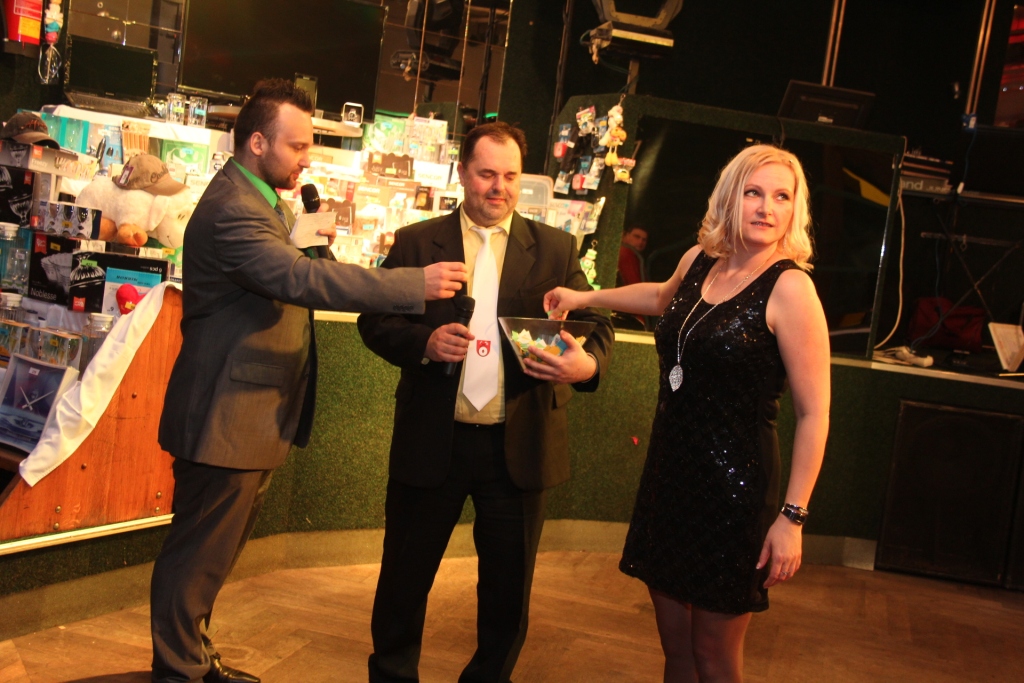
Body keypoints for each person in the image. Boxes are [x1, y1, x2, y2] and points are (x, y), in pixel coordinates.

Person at [151, 79, 467, 683]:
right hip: (225, 413)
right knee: (196, 556)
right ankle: (178, 670)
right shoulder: (233, 209)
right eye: (296, 146)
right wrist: (414, 284)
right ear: (257, 142)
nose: (306, 158)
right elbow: (301, 281)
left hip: (249, 415)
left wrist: (302, 239)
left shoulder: (266, 202)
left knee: (213, 555)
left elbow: (295, 269)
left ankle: (192, 658)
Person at [545, 144, 830, 683]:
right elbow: (661, 298)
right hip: (671, 478)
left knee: (714, 658)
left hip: (734, 492)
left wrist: (792, 519)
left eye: (782, 196)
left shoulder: (792, 287)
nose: (766, 207)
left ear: (796, 209)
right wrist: (584, 299)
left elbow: (815, 414)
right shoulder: (701, 259)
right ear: (729, 197)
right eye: (753, 192)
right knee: (675, 652)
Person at [357, 121, 614, 683]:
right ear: (462, 173)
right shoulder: (416, 243)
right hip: (433, 442)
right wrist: (424, 343)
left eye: (511, 176)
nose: (499, 188)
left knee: (507, 595)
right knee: (402, 583)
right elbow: (373, 321)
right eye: (487, 174)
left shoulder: (556, 249)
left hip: (518, 449)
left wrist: (585, 365)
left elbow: (598, 325)